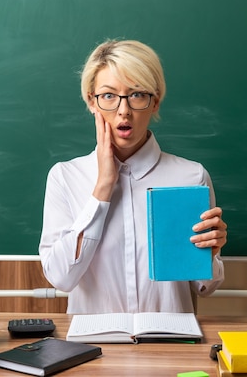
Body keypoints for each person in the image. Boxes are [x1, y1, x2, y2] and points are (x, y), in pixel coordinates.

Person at [39, 39, 228, 314]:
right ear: (91, 102)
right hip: (92, 347)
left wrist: (209, 255)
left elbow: (205, 287)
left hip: (168, 343)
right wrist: (103, 186)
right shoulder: (65, 177)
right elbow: (61, 278)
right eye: (109, 96)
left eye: (137, 94)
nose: (123, 110)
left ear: (155, 102)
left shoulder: (190, 176)